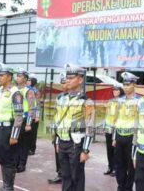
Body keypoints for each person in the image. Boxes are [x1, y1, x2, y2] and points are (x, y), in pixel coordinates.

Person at [55, 63, 95, 191]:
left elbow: (90, 128)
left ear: (80, 79)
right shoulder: (61, 99)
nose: (68, 80)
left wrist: (85, 150)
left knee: (76, 177)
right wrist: (57, 141)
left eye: (72, 78)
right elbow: (57, 121)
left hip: (76, 145)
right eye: (67, 77)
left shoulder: (86, 101)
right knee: (65, 176)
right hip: (62, 142)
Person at [0, 63, 24, 191]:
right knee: (0, 156)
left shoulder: (15, 93)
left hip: (7, 129)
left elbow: (19, 115)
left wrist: (14, 135)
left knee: (8, 157)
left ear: (9, 77)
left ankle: (9, 186)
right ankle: (5, 183)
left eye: (2, 75)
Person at [113, 72, 140, 191]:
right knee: (119, 164)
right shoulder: (119, 101)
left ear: (134, 85)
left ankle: (128, 187)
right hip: (119, 135)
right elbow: (116, 119)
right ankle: (121, 186)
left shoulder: (140, 101)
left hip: (132, 137)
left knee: (131, 165)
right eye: (124, 85)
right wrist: (114, 137)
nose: (125, 87)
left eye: (128, 85)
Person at [16, 67, 37, 173]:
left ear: (25, 79)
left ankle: (22, 164)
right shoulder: (15, 90)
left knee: (23, 144)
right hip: (15, 119)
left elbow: (31, 108)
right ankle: (16, 162)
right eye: (17, 76)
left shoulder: (29, 91)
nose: (17, 78)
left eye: (20, 76)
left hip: (24, 119)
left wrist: (29, 123)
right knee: (15, 142)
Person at [48, 72, 67, 184]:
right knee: (57, 153)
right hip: (58, 130)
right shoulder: (59, 97)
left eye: (65, 82)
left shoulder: (77, 97)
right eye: (62, 83)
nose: (63, 85)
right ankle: (60, 174)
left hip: (69, 131)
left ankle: (67, 176)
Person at [103, 82, 123, 177]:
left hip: (117, 129)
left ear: (120, 91)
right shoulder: (110, 101)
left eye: (117, 90)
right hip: (108, 128)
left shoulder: (122, 101)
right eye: (114, 90)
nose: (115, 91)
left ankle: (116, 168)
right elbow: (107, 114)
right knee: (109, 149)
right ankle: (110, 167)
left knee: (116, 150)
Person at [27, 73, 40, 156]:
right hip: (27, 114)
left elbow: (37, 104)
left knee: (33, 133)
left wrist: (37, 116)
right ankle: (27, 148)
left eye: (29, 80)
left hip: (34, 115)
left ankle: (32, 149)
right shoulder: (25, 90)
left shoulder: (35, 91)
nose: (27, 81)